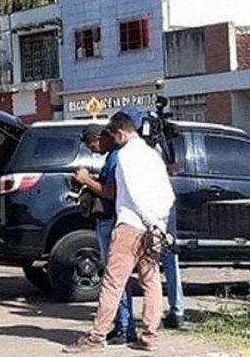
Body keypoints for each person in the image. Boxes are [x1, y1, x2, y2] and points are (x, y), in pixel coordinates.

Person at [64, 112, 175, 353]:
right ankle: (150, 336)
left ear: (121, 132)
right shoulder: (152, 154)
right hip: (155, 227)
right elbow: (168, 194)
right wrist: (158, 225)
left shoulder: (125, 155)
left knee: (113, 282)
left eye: (114, 135)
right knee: (151, 281)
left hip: (131, 225)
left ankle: (96, 336)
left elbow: (132, 193)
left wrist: (146, 220)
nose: (113, 140)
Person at [118, 106, 186, 329]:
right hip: (161, 209)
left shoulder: (133, 151)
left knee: (143, 270)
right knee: (162, 262)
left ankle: (152, 320)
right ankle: (174, 310)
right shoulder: (156, 146)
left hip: (144, 214)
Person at [72, 125, 137, 345]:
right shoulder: (113, 156)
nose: (92, 150)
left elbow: (111, 192)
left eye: (91, 145)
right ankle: (123, 325)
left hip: (111, 221)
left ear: (100, 138)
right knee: (117, 277)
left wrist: (86, 180)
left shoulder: (116, 157)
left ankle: (125, 327)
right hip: (109, 221)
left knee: (115, 277)